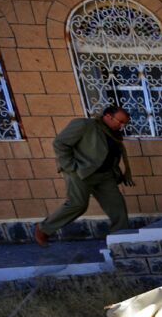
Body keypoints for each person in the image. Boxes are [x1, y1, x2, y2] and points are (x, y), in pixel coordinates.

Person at [34, 105, 135, 246]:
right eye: (120, 121)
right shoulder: (85, 125)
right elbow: (60, 143)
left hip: (105, 175)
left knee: (117, 207)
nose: (122, 126)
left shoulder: (113, 133)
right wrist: (70, 167)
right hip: (81, 173)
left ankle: (121, 240)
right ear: (107, 116)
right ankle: (43, 228)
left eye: (125, 123)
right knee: (78, 205)